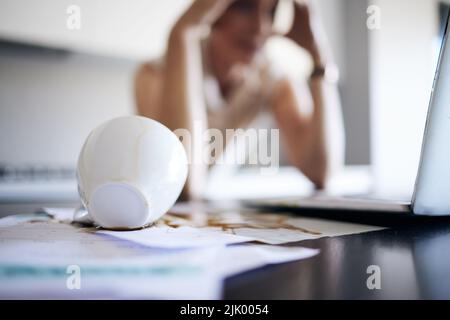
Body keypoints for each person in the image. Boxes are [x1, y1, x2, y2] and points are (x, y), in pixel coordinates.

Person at [135, 0, 345, 200]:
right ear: (214, 9)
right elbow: (183, 184)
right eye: (245, 6)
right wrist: (182, 32)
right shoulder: (154, 75)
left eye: (270, 12)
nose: (260, 27)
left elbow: (321, 171)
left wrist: (320, 58)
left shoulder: (271, 78)